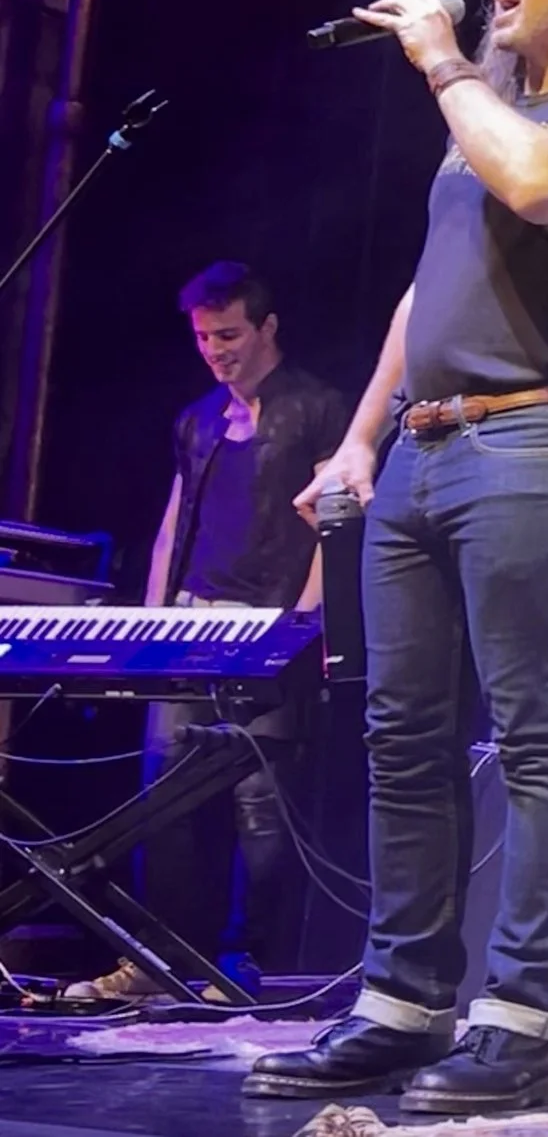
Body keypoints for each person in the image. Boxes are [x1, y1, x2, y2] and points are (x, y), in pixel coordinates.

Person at [244, 0, 548, 1116]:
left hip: (534, 440)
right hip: (421, 454)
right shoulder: (480, 118)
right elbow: (422, 295)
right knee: (403, 736)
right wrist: (358, 439)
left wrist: (444, 62)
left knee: (537, 734)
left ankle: (520, 1024)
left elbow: (539, 187)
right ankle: (400, 1007)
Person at [67, 262, 346, 1002]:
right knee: (163, 799)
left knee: (261, 807)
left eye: (228, 335)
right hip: (190, 623)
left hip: (268, 628)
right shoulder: (197, 419)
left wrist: (303, 623)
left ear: (266, 327)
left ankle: (244, 960)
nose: (215, 350)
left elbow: (337, 521)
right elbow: (174, 522)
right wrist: (153, 622)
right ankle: (155, 959)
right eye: (203, 337)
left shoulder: (318, 407)